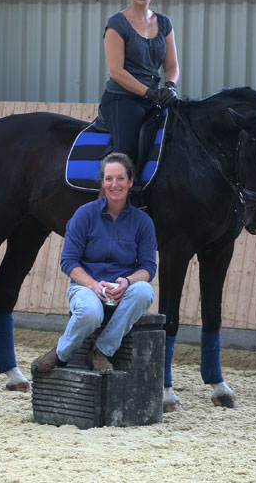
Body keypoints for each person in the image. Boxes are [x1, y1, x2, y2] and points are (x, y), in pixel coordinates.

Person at [31, 152, 157, 375]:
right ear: (102, 182)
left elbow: (148, 267)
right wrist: (93, 285)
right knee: (90, 312)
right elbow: (68, 261)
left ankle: (101, 351)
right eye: (109, 179)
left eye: (120, 178)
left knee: (144, 291)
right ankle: (61, 353)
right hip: (86, 286)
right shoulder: (84, 215)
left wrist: (127, 282)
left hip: (122, 290)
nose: (114, 184)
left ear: (130, 181)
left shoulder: (143, 222)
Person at [98, 0, 180, 163]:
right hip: (123, 98)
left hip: (155, 98)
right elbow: (116, 72)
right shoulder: (117, 23)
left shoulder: (164, 23)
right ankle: (112, 180)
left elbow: (172, 66)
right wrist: (149, 93)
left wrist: (169, 87)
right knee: (126, 153)